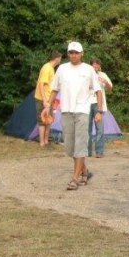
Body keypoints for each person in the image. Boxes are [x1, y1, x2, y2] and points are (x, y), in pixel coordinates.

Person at [46, 42, 106, 191]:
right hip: (66, 111)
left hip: (82, 111)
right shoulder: (62, 69)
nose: (74, 55)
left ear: (82, 54)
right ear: (68, 54)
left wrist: (99, 111)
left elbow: (98, 91)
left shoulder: (88, 69)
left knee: (80, 144)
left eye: (76, 52)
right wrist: (48, 106)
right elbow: (54, 89)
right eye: (71, 52)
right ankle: (85, 172)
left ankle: (75, 178)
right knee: (70, 147)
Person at [35, 51, 62, 147]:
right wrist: (44, 100)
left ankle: (46, 141)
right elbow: (41, 85)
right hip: (43, 99)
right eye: (60, 58)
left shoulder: (51, 68)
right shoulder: (47, 68)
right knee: (42, 120)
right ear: (57, 58)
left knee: (49, 120)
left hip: (49, 99)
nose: (60, 60)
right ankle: (42, 143)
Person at [88, 58, 113, 158]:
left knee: (100, 128)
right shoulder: (86, 75)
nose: (96, 67)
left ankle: (99, 151)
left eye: (98, 65)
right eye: (94, 65)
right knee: (87, 128)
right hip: (87, 104)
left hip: (99, 104)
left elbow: (110, 88)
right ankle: (87, 151)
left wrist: (105, 82)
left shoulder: (103, 75)